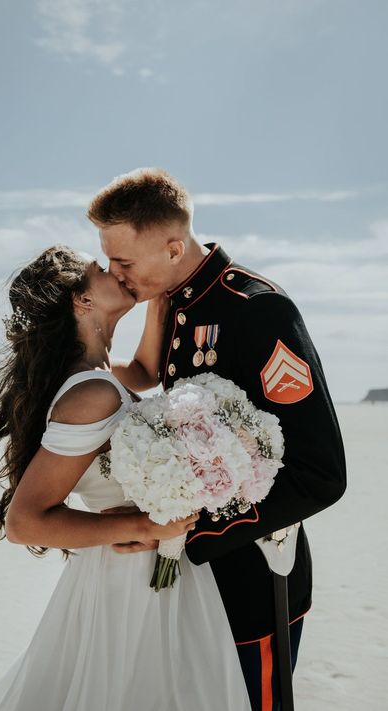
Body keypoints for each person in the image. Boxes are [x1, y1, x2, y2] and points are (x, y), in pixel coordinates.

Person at [0, 245, 251, 711]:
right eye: (100, 269)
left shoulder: (100, 376)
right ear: (81, 302)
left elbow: (146, 370)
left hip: (139, 571)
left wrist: (159, 295)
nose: (116, 271)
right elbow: (24, 522)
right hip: (130, 582)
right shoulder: (91, 393)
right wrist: (145, 527)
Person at [88, 168, 347, 711]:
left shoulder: (259, 310)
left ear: (174, 246)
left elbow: (322, 475)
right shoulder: (175, 301)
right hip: (191, 583)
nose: (114, 273)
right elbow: (143, 371)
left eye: (125, 262)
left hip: (256, 574)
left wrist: (187, 533)